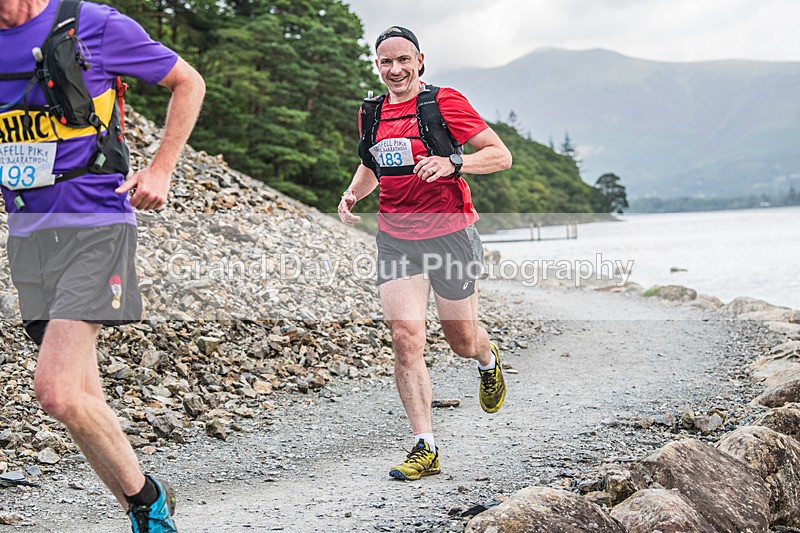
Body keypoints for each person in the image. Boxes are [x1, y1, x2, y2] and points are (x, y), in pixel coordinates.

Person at [0, 0, 204, 531]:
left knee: (56, 392)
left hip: (96, 223)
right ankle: (145, 510)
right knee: (81, 398)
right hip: (27, 236)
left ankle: (149, 503)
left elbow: (189, 82)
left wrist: (161, 169)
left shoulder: (93, 23)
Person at [338, 26, 513, 481]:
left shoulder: (444, 103)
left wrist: (454, 162)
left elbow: (500, 155)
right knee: (405, 338)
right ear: (377, 66)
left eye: (403, 60)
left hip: (450, 234)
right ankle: (425, 445)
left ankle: (486, 358)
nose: (394, 69)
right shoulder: (371, 111)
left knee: (461, 341)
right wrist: (354, 194)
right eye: (385, 62)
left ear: (419, 61)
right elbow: (373, 163)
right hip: (396, 237)